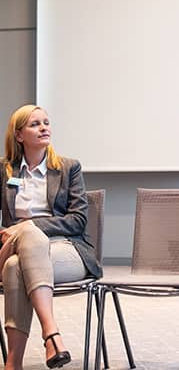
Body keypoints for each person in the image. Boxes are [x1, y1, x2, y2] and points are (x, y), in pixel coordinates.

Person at [0, 105, 102, 370]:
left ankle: (18, 359)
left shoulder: (69, 168)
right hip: (18, 252)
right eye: (35, 124)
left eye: (46, 122)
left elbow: (78, 220)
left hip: (67, 250)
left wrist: (29, 226)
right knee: (14, 262)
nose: (44, 127)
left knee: (25, 244)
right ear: (19, 135)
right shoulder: (5, 171)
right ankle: (50, 337)